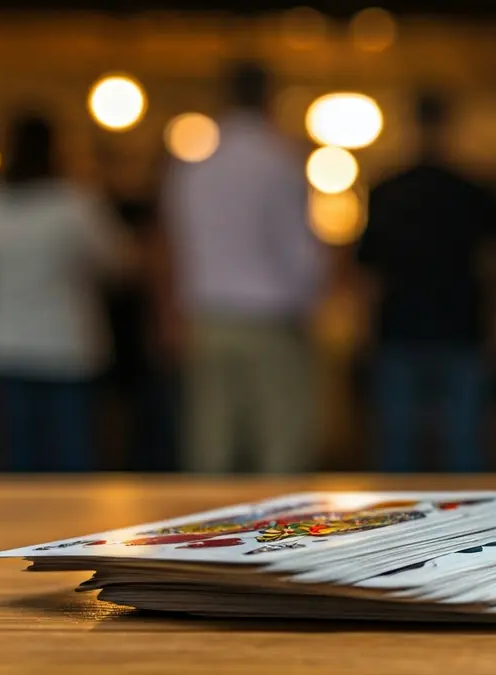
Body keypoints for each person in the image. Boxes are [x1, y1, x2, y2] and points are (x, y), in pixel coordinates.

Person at [163, 61, 325, 474]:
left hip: (209, 316)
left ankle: (204, 536)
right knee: (280, 444)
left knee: (211, 444)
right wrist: (313, 301)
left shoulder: (194, 165)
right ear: (269, 97)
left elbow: (176, 245)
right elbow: (298, 250)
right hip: (270, 320)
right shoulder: (278, 161)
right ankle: (284, 538)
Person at [0, 113, 132, 472]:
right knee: (72, 463)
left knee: (20, 465)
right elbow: (121, 264)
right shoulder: (77, 206)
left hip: (4, 345)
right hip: (67, 346)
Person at [357, 92, 496, 473]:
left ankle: (400, 533)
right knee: (463, 448)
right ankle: (469, 532)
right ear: (450, 127)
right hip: (460, 329)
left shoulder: (388, 190)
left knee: (400, 450)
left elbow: (367, 271)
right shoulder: (475, 191)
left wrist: (364, 332)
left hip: (402, 330)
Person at [97, 146, 178, 472]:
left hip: (147, 326)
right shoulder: (102, 208)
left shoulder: (159, 212)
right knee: (116, 418)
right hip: (114, 326)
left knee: (156, 418)